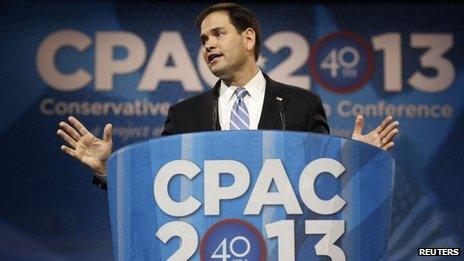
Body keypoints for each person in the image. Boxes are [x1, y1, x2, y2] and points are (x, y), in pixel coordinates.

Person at [57, 3, 399, 188]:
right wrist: (106, 171)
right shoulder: (183, 114)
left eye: (218, 34)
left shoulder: (301, 104)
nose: (208, 44)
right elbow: (158, 187)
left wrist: (355, 160)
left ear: (248, 39)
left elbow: (321, 181)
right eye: (204, 39)